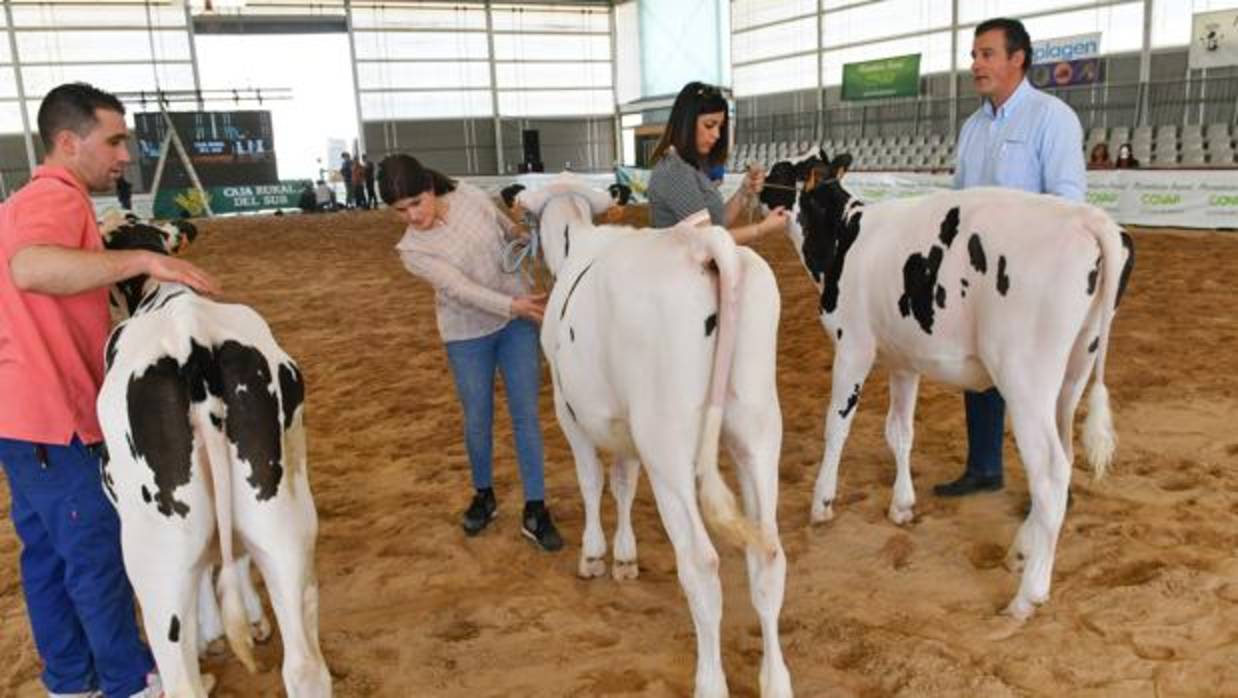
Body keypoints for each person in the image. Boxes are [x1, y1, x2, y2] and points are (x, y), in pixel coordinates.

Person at [0, 82, 219, 698]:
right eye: (114, 140)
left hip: (21, 416)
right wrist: (144, 262)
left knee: (47, 557)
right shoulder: (55, 197)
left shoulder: (21, 202)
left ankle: (72, 680)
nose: (125, 155)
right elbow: (31, 268)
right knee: (94, 554)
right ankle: (128, 681)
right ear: (68, 142)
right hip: (57, 415)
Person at [378, 154, 563, 552]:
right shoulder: (412, 251)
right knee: (478, 417)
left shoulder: (469, 195)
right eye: (400, 210)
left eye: (416, 203)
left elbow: (505, 228)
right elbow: (459, 289)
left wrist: (522, 235)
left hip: (517, 324)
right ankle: (484, 494)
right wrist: (514, 306)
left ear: (430, 188)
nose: (412, 216)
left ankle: (536, 507)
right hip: (466, 335)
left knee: (526, 414)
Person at [933, 18, 1086, 498]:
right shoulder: (972, 127)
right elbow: (960, 200)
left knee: (1039, 379)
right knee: (981, 368)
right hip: (979, 276)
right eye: (973, 55)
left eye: (986, 54)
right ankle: (984, 467)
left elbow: (1068, 201)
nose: (975, 65)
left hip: (1036, 274)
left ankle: (1054, 484)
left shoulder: (1052, 117)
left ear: (1017, 59)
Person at [646, 81, 788, 241]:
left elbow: (717, 225)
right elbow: (709, 240)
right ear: (686, 123)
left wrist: (743, 192)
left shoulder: (689, 166)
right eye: (709, 125)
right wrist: (761, 229)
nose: (717, 135)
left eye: (719, 127)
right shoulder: (674, 171)